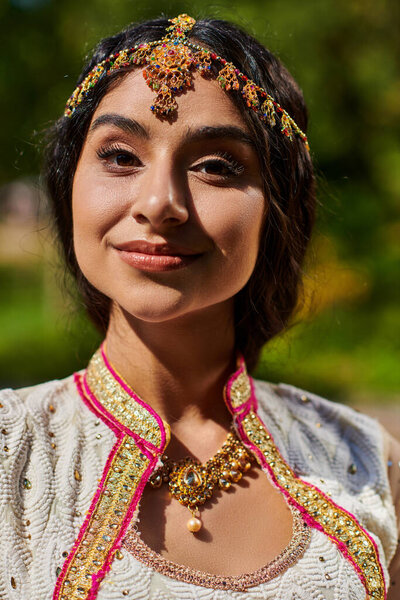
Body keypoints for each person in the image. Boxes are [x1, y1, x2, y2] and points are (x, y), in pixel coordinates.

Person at [0, 13, 399, 600]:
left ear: (278, 210)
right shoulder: (12, 450)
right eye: (119, 156)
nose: (160, 203)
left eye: (216, 166)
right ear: (68, 188)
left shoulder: (365, 461)